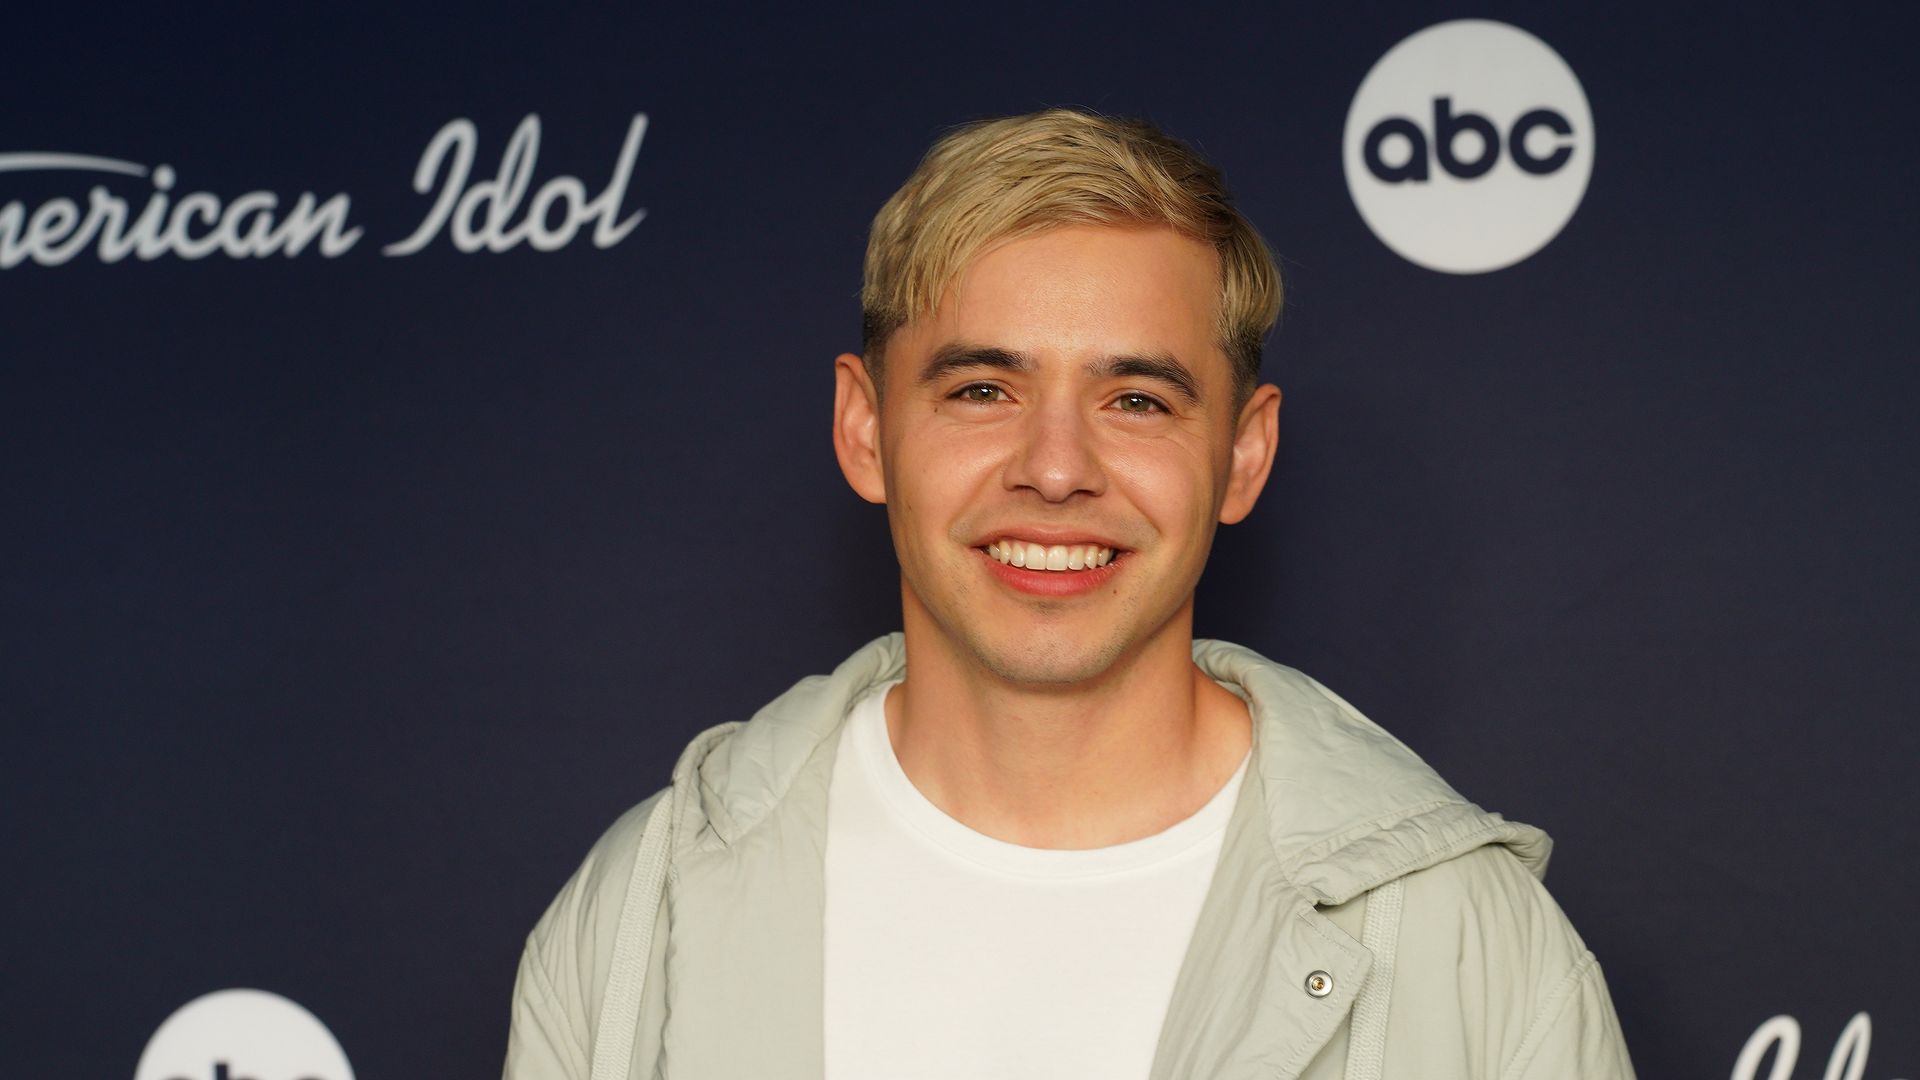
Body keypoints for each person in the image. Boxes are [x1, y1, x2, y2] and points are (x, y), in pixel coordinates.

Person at [501, 108, 1636, 1080]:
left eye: (1137, 399)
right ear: (864, 429)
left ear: (1243, 455)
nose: (1055, 468)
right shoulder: (639, 916)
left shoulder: (1476, 949)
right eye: (984, 387)